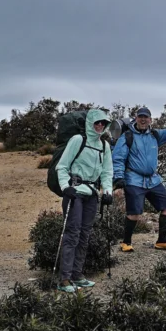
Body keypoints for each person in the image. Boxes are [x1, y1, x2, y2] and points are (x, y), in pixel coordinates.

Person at [112, 105, 166, 251]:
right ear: (136, 118)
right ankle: (126, 242)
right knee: (134, 213)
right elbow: (118, 158)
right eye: (140, 117)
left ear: (150, 120)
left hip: (152, 180)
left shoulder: (155, 135)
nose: (143, 120)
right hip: (133, 179)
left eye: (146, 117)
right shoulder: (127, 136)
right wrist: (118, 177)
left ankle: (161, 241)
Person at [54, 108, 113, 294]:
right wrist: (65, 187)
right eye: (97, 122)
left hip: (92, 194)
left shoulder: (105, 146)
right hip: (75, 192)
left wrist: (108, 191)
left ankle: (78, 275)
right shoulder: (78, 140)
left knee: (85, 234)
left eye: (103, 123)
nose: (100, 126)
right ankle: (64, 278)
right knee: (72, 233)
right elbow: (62, 166)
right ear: (90, 123)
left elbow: (107, 172)